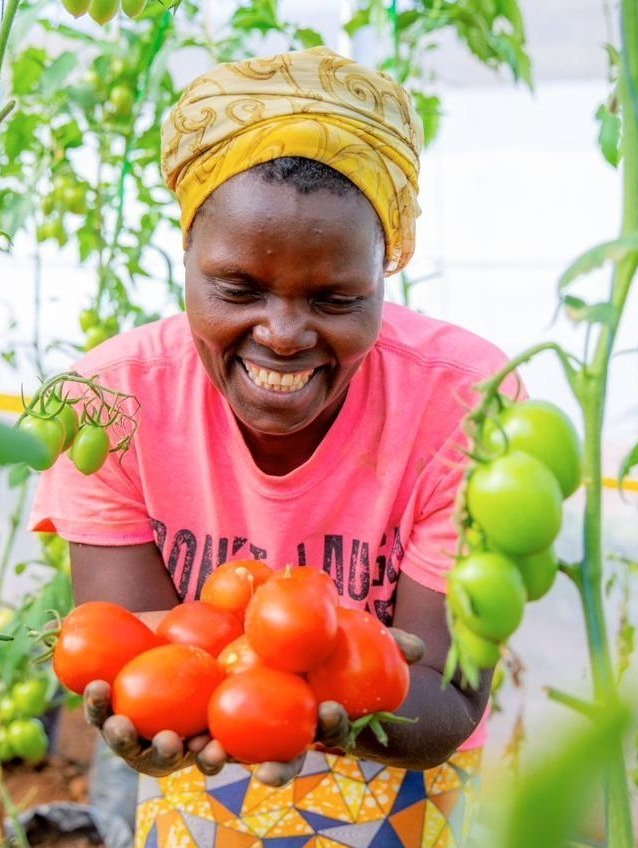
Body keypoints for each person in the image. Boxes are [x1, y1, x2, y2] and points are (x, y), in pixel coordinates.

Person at [31, 46, 517, 848]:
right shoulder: (107, 405)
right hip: (205, 774)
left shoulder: (466, 405)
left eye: (336, 298)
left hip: (409, 776)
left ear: (385, 277)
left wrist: (314, 685)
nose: (283, 335)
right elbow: (135, 657)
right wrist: (198, 698)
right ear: (185, 261)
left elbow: (452, 700)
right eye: (237, 288)